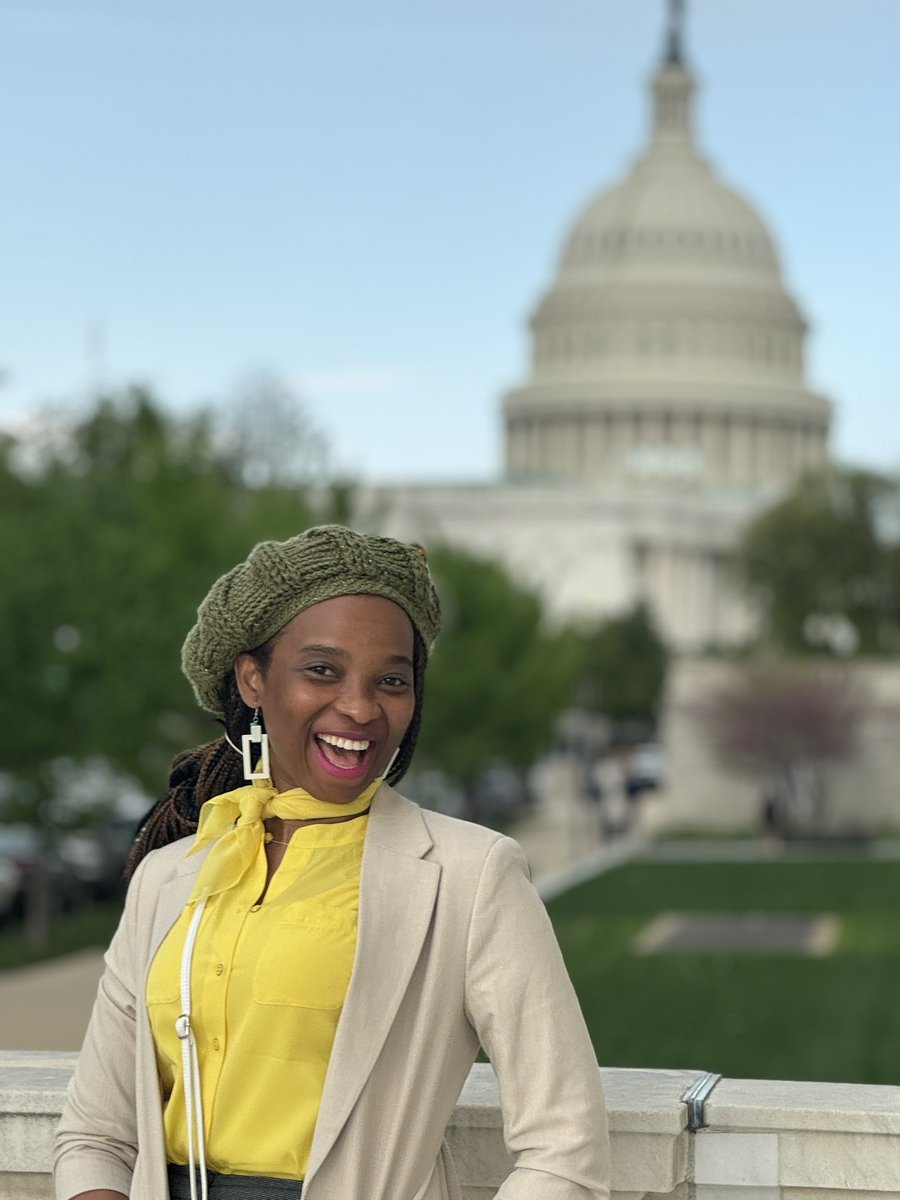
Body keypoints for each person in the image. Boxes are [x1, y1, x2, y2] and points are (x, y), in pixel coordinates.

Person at [54, 525, 610, 1200]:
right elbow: (95, 1136)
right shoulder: (168, 877)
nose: (359, 707)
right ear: (253, 678)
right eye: (323, 670)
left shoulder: (471, 877)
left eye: (391, 680)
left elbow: (565, 1145)